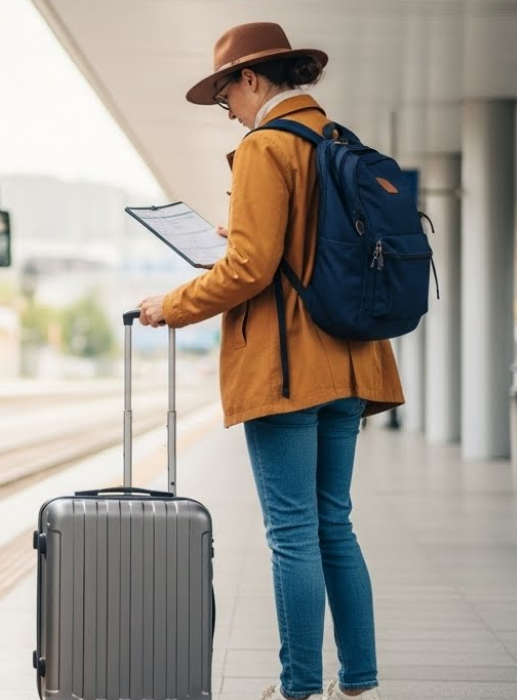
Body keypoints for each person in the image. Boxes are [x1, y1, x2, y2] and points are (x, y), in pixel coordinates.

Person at [136, 22, 404, 700]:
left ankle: (298, 688)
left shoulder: (266, 146)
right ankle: (360, 682)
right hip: (353, 363)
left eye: (226, 95)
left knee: (292, 533)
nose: (227, 109)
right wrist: (239, 235)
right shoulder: (334, 138)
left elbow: (250, 270)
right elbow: (298, 245)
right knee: (334, 524)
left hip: (289, 370)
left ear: (251, 78)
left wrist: (173, 304)